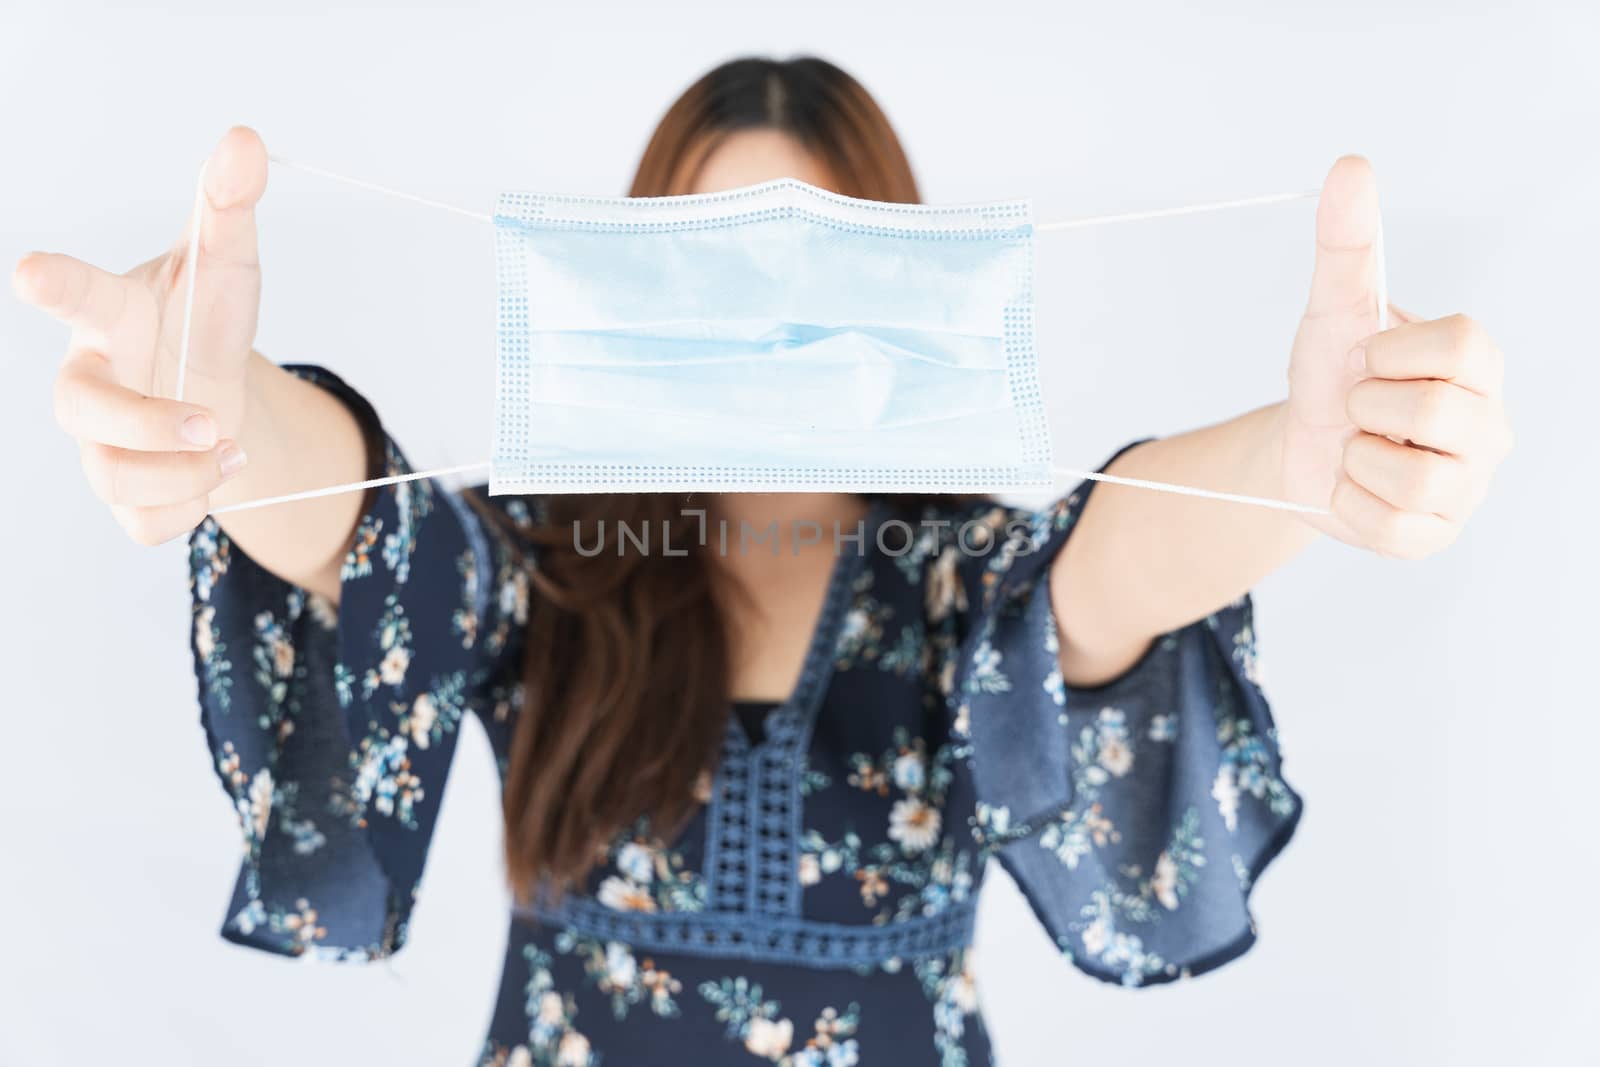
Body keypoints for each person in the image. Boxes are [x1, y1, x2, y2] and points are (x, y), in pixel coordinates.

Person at [15, 56, 1511, 1066]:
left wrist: (1290, 466)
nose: (771, 328)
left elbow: (1107, 575)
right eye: (716, 264)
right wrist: (225, 413)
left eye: (824, 265)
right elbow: (361, 523)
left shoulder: (954, 577)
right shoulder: (549, 561)